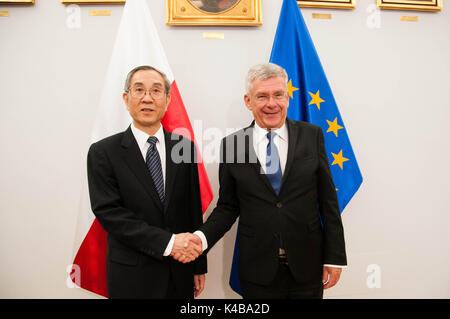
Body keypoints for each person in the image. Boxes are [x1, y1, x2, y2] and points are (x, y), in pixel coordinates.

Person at [186, 63, 347, 298]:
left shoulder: (312, 135)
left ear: (287, 97)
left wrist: (335, 256)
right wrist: (199, 240)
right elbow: (228, 207)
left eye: (278, 95)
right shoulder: (232, 145)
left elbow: (328, 201)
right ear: (248, 101)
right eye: (262, 96)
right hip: (257, 270)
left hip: (307, 266)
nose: (272, 103)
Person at [87, 65, 206, 298]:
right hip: (131, 275)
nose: (147, 98)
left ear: (168, 99)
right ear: (126, 97)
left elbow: (192, 209)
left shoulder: (184, 147)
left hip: (179, 272)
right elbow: (109, 213)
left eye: (156, 91)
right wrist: (169, 243)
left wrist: (198, 264)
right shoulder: (104, 152)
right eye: (139, 90)